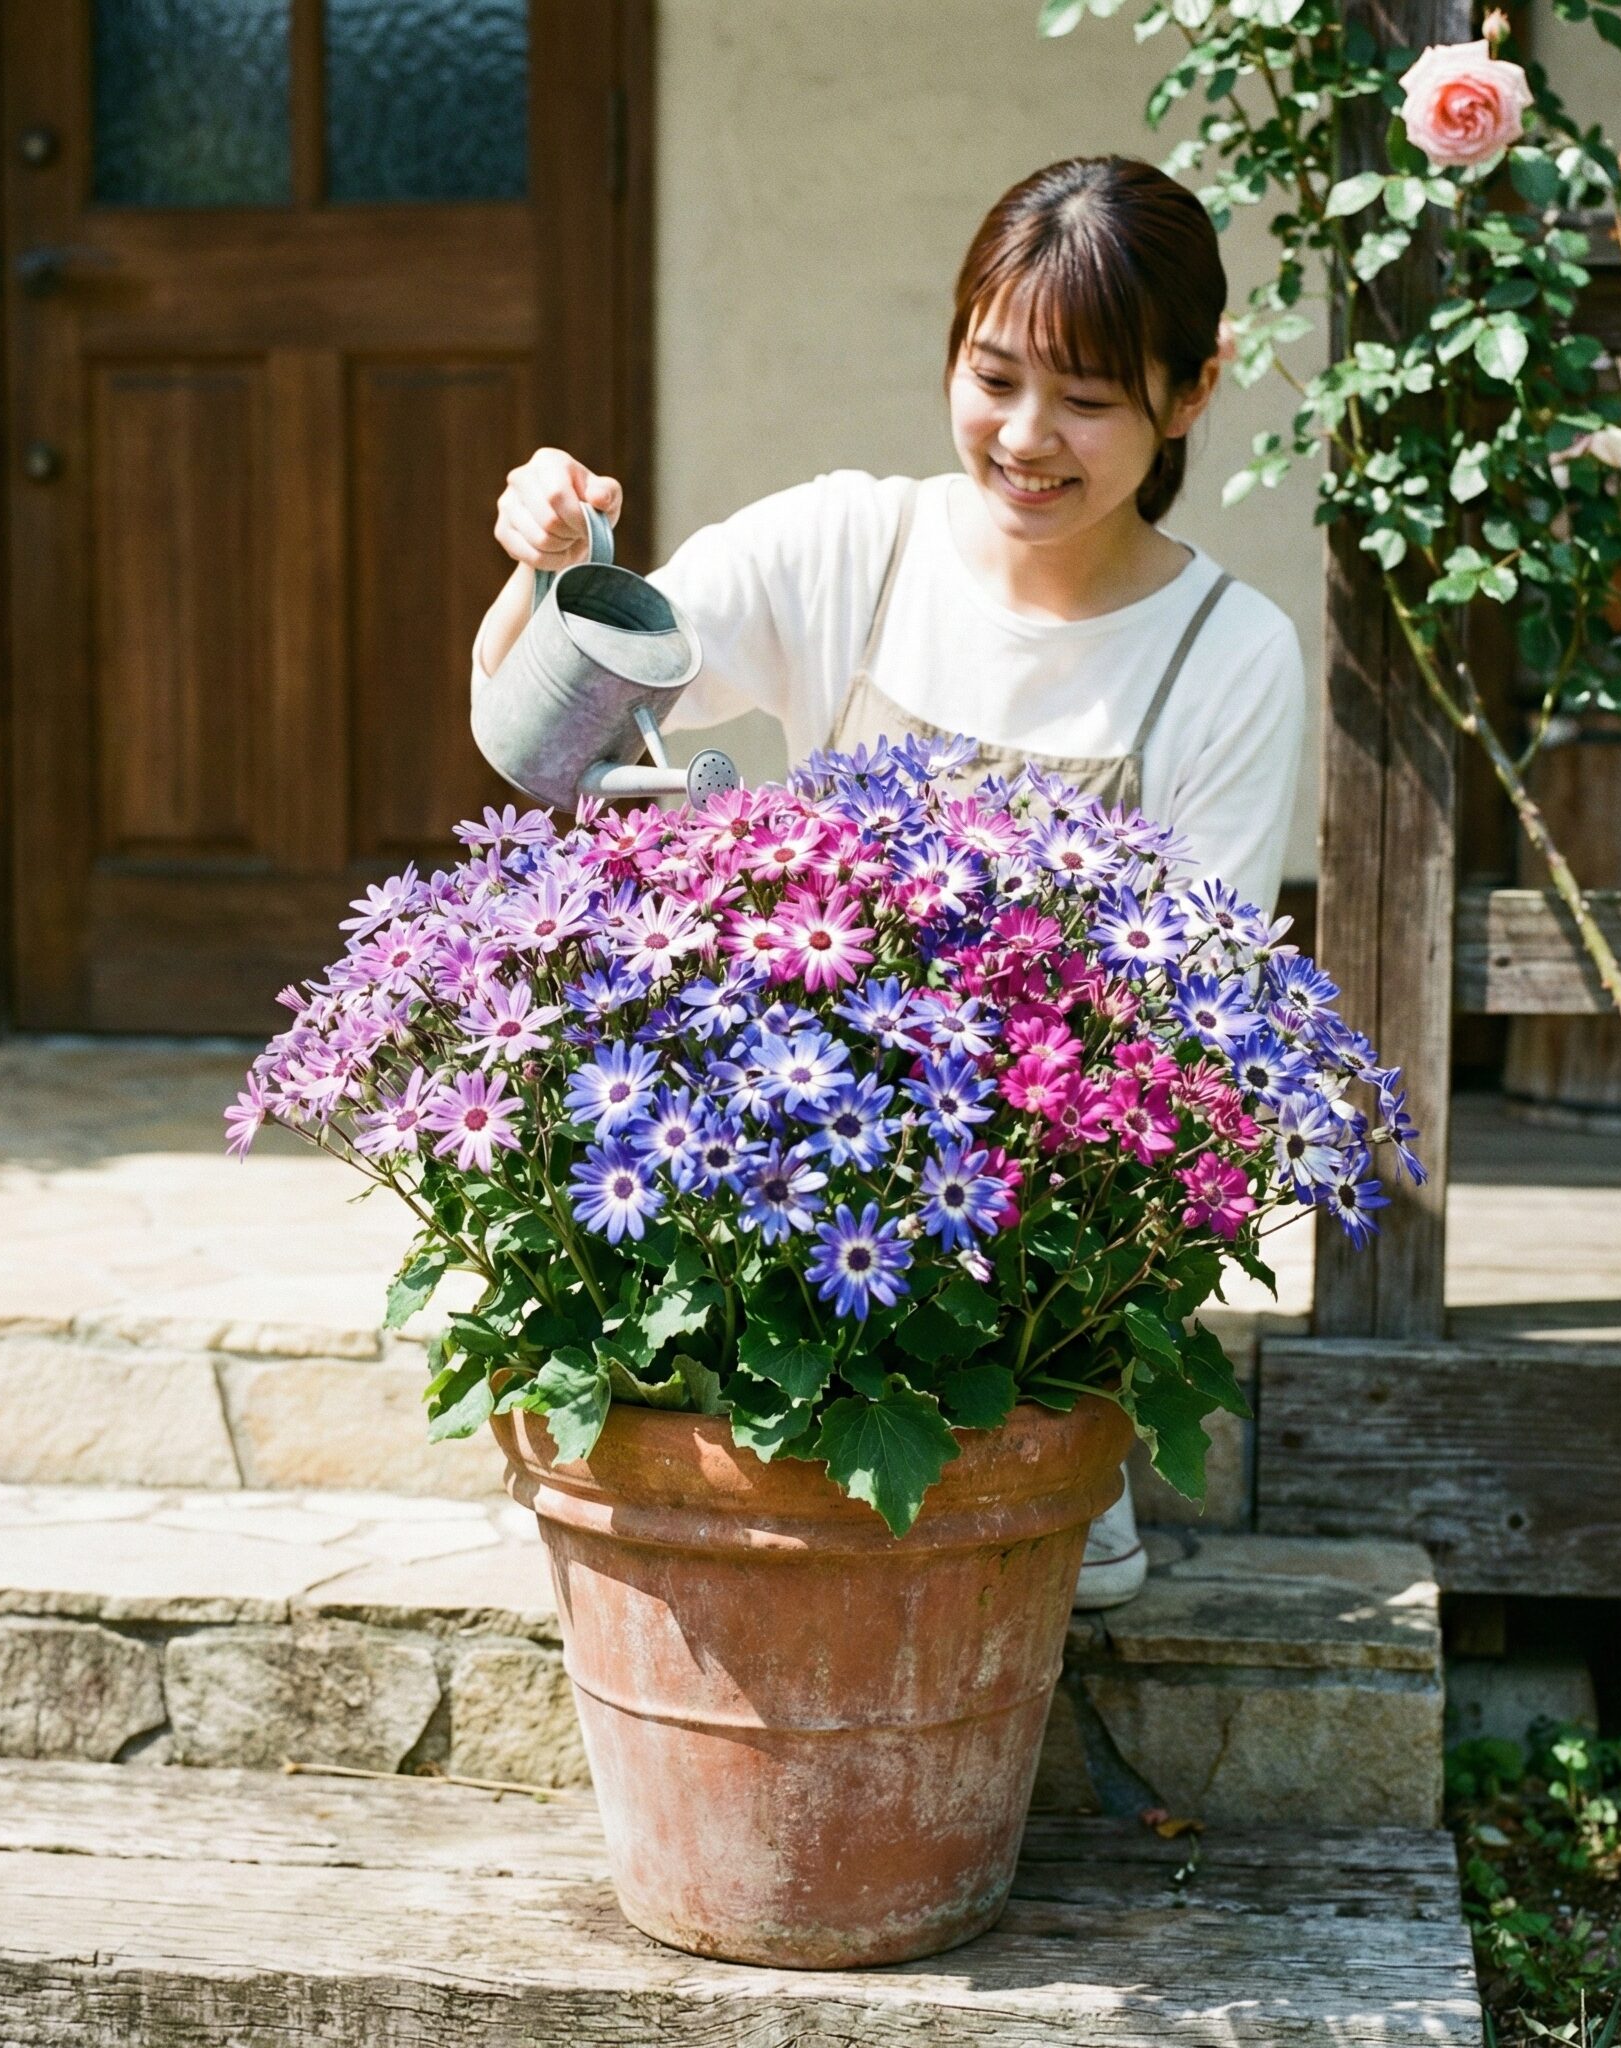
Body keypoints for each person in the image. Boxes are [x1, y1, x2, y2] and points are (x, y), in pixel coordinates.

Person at [472, 156, 1304, 1609]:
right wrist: (553, 565)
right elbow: (541, 738)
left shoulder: (1231, 653)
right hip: (799, 1197)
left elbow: (1199, 1026)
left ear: (1191, 392)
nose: (1026, 438)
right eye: (993, 376)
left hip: (1032, 1237)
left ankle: (1051, 1446)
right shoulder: (851, 544)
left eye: (1086, 398)